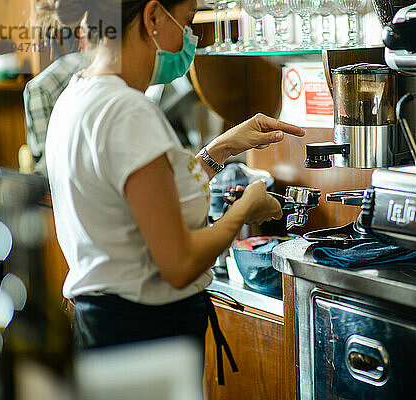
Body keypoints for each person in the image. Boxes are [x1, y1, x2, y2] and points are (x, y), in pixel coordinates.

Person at [40, 0, 305, 383]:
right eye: (186, 22)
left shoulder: (77, 97)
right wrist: (244, 209)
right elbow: (179, 264)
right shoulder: (127, 110)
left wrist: (220, 150)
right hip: (142, 335)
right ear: (152, 18)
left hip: (103, 325)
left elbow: (147, 199)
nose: (190, 37)